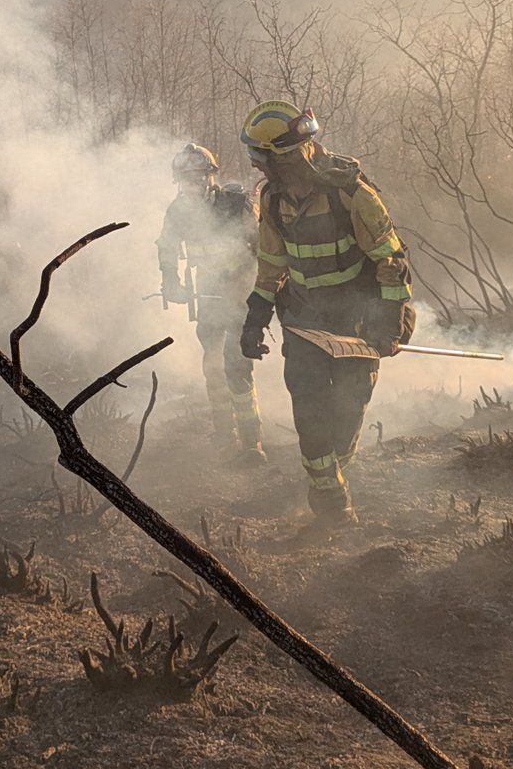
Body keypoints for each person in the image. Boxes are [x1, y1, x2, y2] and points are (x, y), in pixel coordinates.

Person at [236, 101, 413, 524]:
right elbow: (271, 265)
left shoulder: (351, 193)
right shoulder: (273, 199)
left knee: (347, 414)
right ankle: (332, 508)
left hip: (356, 322)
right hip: (305, 323)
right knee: (311, 420)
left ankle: (335, 469)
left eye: (260, 157)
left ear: (285, 156)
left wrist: (388, 320)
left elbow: (390, 259)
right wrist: (255, 317)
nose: (256, 166)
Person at [155, 143, 264, 459]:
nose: (195, 184)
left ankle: (250, 440)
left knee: (236, 363)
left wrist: (266, 291)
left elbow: (261, 245)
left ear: (211, 177)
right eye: (188, 179)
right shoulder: (178, 212)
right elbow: (167, 245)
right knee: (212, 364)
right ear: (179, 181)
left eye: (201, 177)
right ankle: (223, 434)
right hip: (208, 293)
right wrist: (171, 281)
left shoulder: (235, 204)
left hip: (242, 291)